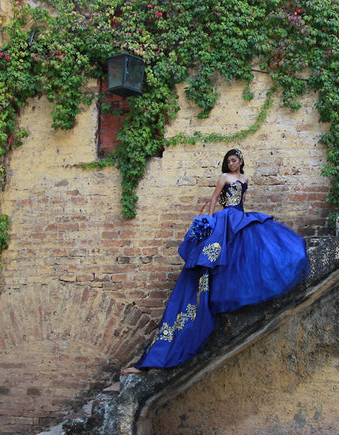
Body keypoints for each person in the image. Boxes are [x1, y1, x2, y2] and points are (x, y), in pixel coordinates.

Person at [125, 149, 310, 372]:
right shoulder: (224, 178)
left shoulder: (245, 178)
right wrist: (211, 220)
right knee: (217, 259)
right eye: (228, 161)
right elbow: (214, 199)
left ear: (241, 161)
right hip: (225, 217)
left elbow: (242, 200)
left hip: (240, 217)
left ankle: (233, 289)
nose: (231, 164)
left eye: (234, 160)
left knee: (245, 254)